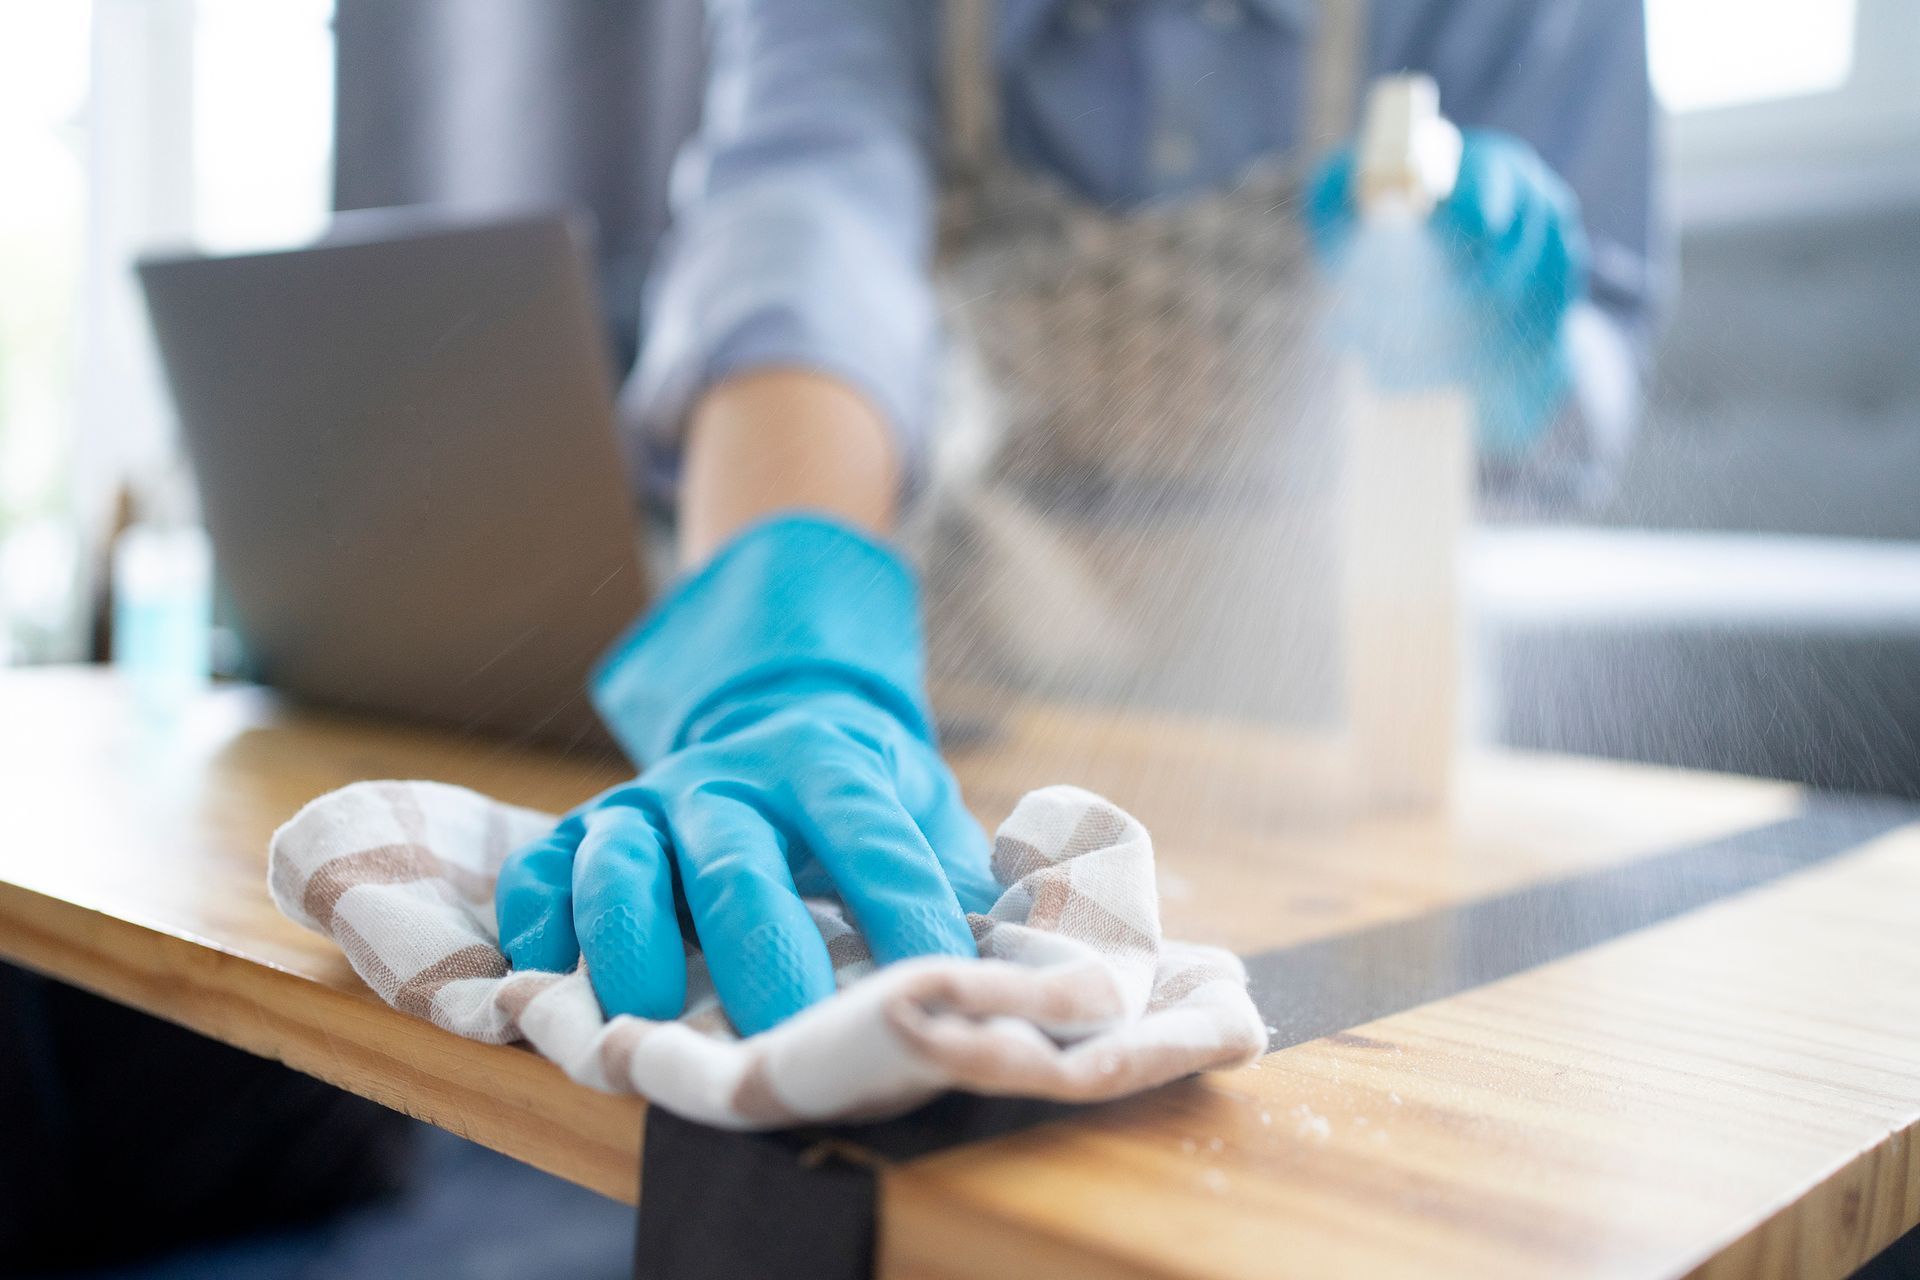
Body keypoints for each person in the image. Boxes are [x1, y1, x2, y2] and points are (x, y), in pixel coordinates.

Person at [496, 0, 1663, 1036]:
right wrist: (782, 653)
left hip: (1354, 717)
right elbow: (806, 229)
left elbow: (1591, 382)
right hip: (996, 665)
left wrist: (1520, 344)